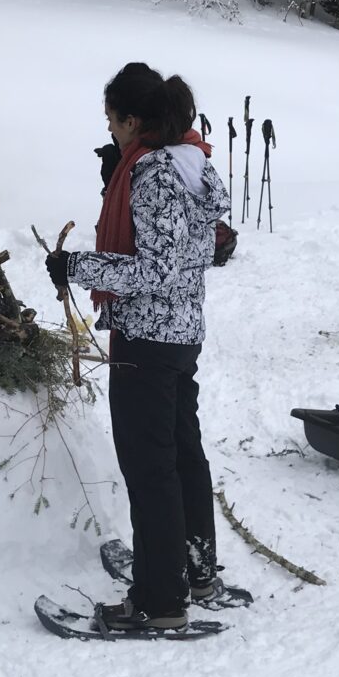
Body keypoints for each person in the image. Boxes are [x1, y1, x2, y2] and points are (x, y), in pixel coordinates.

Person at [44, 62, 230, 633]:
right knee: (181, 457)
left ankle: (158, 600)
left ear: (132, 118)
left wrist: (77, 265)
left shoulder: (152, 173)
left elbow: (154, 267)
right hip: (181, 335)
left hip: (147, 339)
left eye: (112, 121)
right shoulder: (191, 161)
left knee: (151, 471)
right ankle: (196, 572)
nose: (110, 132)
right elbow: (201, 244)